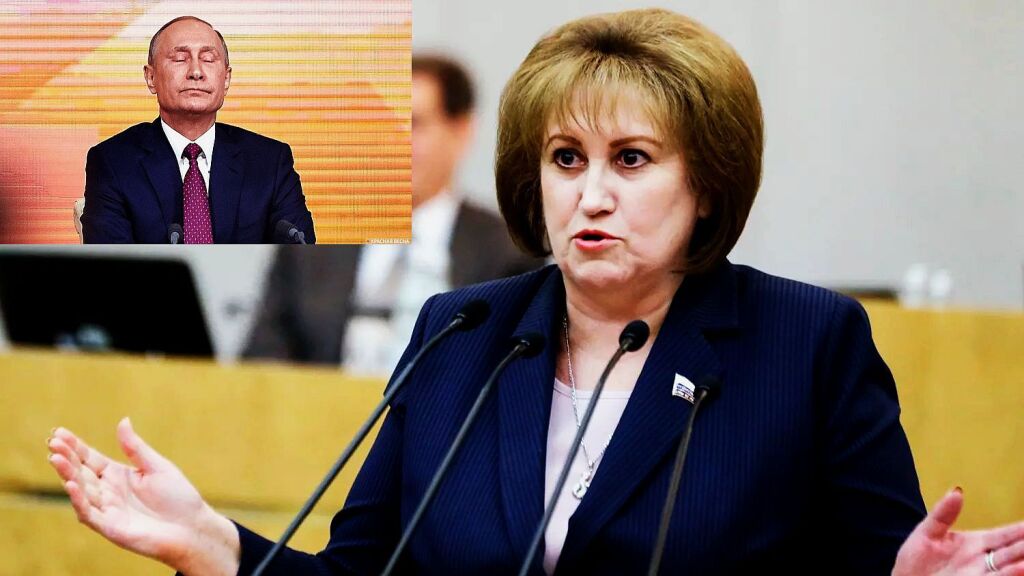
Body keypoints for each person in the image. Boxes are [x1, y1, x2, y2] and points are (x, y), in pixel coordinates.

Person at [47, 8, 1024, 575]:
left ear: (707, 182)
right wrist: (213, 544)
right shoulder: (463, 332)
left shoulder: (807, 343)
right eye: (565, 157)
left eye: (631, 158)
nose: (590, 194)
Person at [242, 55, 540, 373]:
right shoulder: (310, 243)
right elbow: (261, 362)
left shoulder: (506, 253)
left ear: (461, 131)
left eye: (413, 124)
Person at [80, 16, 315, 244]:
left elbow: (299, 256)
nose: (196, 72)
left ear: (226, 79)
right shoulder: (113, 162)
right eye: (180, 58)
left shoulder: (270, 161)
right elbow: (111, 257)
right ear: (151, 77)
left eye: (208, 59)